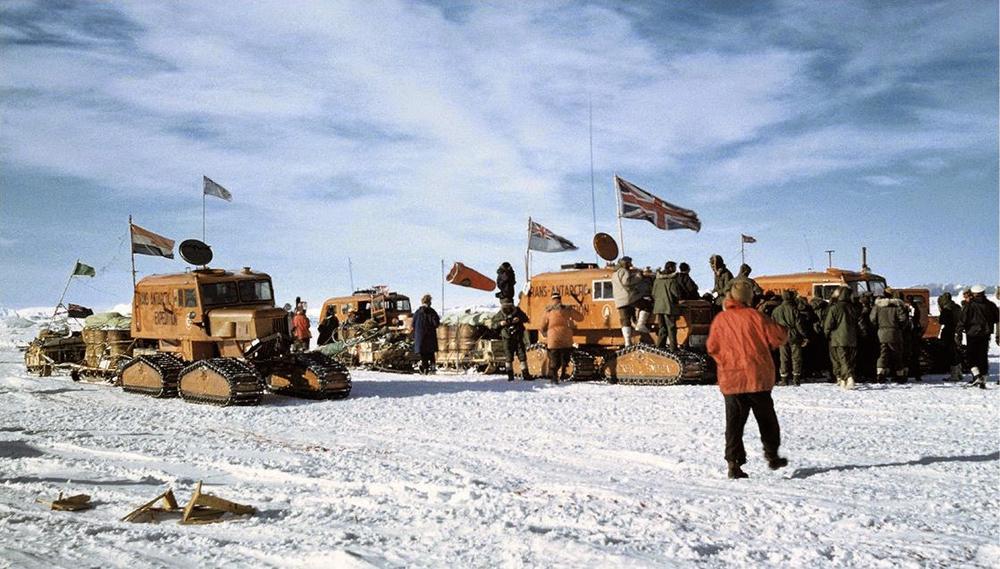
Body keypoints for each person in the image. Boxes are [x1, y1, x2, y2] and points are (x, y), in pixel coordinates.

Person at [706, 280, 789, 479]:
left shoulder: (721, 320)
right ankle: (772, 455)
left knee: (734, 424)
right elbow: (778, 337)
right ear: (748, 297)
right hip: (757, 378)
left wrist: (725, 361)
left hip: (732, 380)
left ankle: (733, 464)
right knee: (767, 419)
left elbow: (712, 347)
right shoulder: (756, 316)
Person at [959, 284, 999, 388]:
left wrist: (958, 331)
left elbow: (963, 320)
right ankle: (983, 379)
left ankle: (976, 376)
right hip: (985, 334)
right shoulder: (991, 305)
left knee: (971, 356)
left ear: (973, 293)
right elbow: (996, 318)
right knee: (983, 356)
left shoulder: (969, 305)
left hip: (972, 334)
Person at [540, 291, 581, 382]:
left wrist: (545, 334)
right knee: (564, 356)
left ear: (552, 299)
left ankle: (554, 376)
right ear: (560, 299)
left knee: (554, 357)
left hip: (553, 338)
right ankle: (563, 373)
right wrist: (572, 310)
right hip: (565, 337)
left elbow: (542, 326)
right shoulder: (567, 309)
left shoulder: (548, 311)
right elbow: (580, 318)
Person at [771, 290, 808, 386]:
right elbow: (799, 325)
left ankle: (784, 379)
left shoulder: (776, 310)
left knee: (784, 358)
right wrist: (804, 336)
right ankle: (796, 379)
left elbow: (773, 325)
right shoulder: (794, 309)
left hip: (781, 336)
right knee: (796, 358)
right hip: (794, 335)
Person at [824, 286, 859, 389]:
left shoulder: (834, 308)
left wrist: (827, 334)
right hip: (852, 338)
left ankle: (849, 377)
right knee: (849, 360)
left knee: (842, 360)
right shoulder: (853, 308)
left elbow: (828, 324)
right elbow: (859, 322)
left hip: (838, 338)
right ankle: (844, 379)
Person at [870, 295, 908, 382]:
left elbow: (872, 319)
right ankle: (899, 374)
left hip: (881, 334)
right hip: (895, 333)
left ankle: (880, 373)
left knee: (882, 354)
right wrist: (899, 328)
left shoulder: (877, 307)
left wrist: (878, 327)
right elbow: (903, 319)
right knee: (897, 355)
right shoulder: (897, 307)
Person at [611, 256, 643, 347]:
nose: (631, 264)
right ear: (626, 263)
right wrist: (638, 277)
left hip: (619, 300)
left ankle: (627, 341)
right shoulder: (624, 271)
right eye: (630, 262)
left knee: (625, 320)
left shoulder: (614, 274)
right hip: (628, 298)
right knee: (646, 305)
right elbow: (627, 282)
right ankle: (641, 324)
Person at [498, 298, 532, 381]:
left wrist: (519, 319)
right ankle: (511, 376)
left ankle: (524, 374)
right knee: (509, 357)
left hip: (517, 336)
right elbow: (493, 324)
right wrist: (500, 323)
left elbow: (526, 319)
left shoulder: (517, 311)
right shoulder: (501, 313)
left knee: (521, 356)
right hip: (508, 337)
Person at [652, 261, 683, 350]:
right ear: (670, 268)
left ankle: (660, 347)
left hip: (658, 307)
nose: (675, 269)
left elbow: (653, 293)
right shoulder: (672, 280)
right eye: (674, 267)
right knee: (671, 328)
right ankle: (673, 348)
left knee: (662, 328)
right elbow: (676, 294)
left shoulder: (657, 280)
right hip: (669, 307)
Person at [937, 292, 963, 381]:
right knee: (957, 352)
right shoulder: (957, 307)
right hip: (958, 331)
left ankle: (954, 375)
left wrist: (941, 312)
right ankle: (959, 373)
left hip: (949, 332)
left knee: (951, 353)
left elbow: (941, 321)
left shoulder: (946, 309)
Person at [412, 294, 441, 374]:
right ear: (429, 302)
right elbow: (436, 323)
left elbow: (413, 324)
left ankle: (425, 369)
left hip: (420, 338)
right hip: (430, 337)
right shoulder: (432, 312)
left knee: (423, 354)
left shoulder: (417, 312)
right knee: (431, 353)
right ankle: (432, 367)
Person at [905, 299, 925, 382]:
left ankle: (906, 374)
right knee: (915, 356)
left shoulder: (907, 311)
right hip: (914, 336)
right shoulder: (916, 310)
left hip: (909, 336)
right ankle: (917, 374)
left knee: (907, 356)